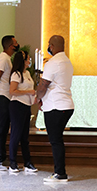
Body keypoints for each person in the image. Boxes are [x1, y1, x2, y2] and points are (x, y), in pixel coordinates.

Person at [37, 35, 74, 183]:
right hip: (65, 105)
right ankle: (60, 171)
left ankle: (60, 173)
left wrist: (38, 98)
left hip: (55, 106)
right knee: (57, 139)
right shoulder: (67, 62)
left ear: (51, 46)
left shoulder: (53, 62)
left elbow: (44, 84)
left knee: (55, 140)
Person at [0, 35, 20, 170]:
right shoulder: (3, 59)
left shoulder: (7, 59)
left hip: (6, 96)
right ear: (10, 46)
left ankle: (1, 156)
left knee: (4, 127)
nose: (17, 44)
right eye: (15, 42)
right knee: (0, 128)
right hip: (2, 96)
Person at [8, 51, 38, 174]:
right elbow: (12, 91)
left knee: (25, 136)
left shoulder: (27, 74)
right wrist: (28, 92)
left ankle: (27, 162)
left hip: (26, 106)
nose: (29, 61)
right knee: (16, 134)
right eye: (28, 59)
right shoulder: (16, 74)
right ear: (23, 60)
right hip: (17, 105)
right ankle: (13, 163)